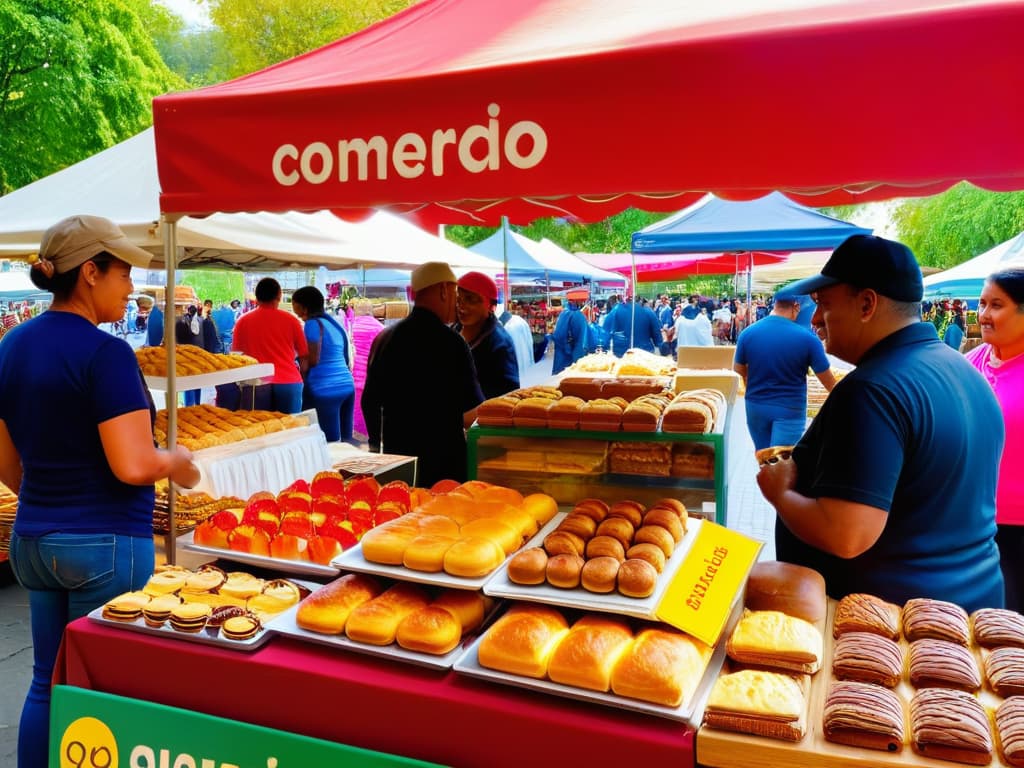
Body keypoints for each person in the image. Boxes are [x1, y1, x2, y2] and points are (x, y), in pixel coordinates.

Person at [0, 215, 200, 768]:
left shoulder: (11, 346)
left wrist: (49, 497)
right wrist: (176, 462)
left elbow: (7, 462)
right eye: (124, 272)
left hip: (34, 538)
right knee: (100, 691)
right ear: (90, 272)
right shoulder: (105, 353)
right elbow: (133, 464)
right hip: (104, 544)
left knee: (47, 680)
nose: (131, 286)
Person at [756, 235, 1004, 613]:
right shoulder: (965, 371)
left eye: (824, 304)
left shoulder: (871, 391)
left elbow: (848, 534)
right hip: (969, 608)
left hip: (892, 625)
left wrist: (780, 493)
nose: (816, 320)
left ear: (867, 304)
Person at [362, 262, 484, 487]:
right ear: (443, 290)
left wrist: (376, 450)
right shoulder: (452, 343)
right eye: (455, 294)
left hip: (398, 462)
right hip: (444, 463)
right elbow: (470, 412)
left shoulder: (384, 338)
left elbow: (369, 401)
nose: (456, 304)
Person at [965, 267, 1024, 611]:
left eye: (996, 305)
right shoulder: (968, 363)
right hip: (970, 522)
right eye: (982, 303)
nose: (983, 315)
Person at [734, 295, 836, 451]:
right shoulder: (808, 339)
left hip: (755, 406)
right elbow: (828, 381)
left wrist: (754, 384)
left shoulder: (748, 333)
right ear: (796, 307)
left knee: (764, 458)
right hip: (790, 409)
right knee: (782, 462)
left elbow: (738, 370)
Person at [232, 277, 308, 414]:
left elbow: (236, 357)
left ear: (256, 297)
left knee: (258, 430)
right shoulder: (292, 321)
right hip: (288, 382)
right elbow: (303, 356)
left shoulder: (242, 321)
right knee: (290, 430)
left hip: (255, 383)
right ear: (279, 295)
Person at [291, 286, 356, 442]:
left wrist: (296, 362)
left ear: (303, 307)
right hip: (347, 386)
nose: (296, 312)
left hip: (325, 389)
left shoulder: (312, 324)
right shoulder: (334, 324)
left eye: (295, 306)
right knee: (346, 441)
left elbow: (312, 360)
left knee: (329, 444)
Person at [452, 272, 519, 399]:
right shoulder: (454, 330)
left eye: (470, 299)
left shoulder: (500, 343)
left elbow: (508, 396)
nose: (461, 306)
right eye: (458, 299)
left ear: (490, 305)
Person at [348, 298, 384, 440]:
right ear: (371, 311)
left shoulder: (351, 326)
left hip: (352, 378)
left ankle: (356, 441)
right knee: (368, 415)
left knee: (354, 414)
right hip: (371, 379)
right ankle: (366, 440)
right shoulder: (381, 329)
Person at [175, 304, 204, 406]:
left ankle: (189, 405)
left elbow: (181, 339)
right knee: (197, 381)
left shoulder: (182, 322)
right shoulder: (201, 320)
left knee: (188, 381)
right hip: (200, 355)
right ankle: (197, 402)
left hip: (188, 355)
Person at [498, 302, 535, 380]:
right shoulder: (519, 320)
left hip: (517, 374)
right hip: (527, 369)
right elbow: (530, 343)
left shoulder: (508, 328)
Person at [551, 299, 588, 374]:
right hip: (571, 354)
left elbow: (558, 336)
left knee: (561, 378)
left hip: (565, 353)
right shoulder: (576, 314)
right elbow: (560, 335)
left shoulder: (565, 313)